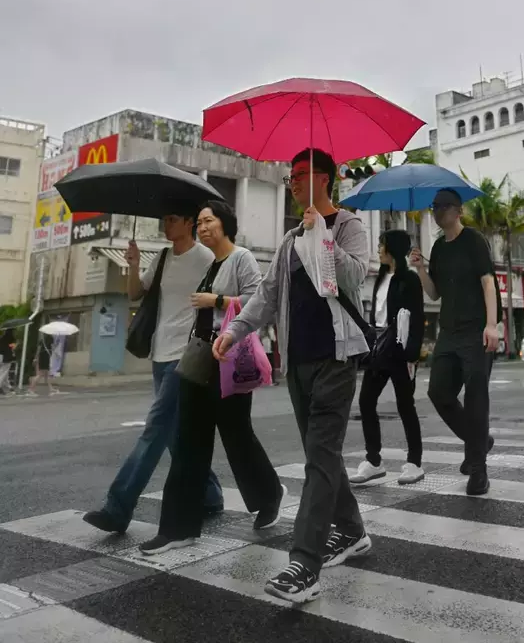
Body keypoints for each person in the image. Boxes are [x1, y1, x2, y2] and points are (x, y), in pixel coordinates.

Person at [213, 149, 371, 605]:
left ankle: (304, 563)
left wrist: (323, 234)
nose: (293, 182)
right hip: (298, 360)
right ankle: (354, 530)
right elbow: (266, 295)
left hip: (337, 358)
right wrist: (237, 330)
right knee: (321, 453)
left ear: (326, 178)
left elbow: (354, 276)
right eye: (291, 175)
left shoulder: (347, 226)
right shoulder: (288, 239)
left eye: (300, 175)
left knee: (319, 457)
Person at [140, 201, 284, 555]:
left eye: (209, 221)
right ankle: (179, 528)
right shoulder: (211, 263)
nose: (203, 227)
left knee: (237, 437)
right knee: (188, 442)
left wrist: (216, 299)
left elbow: (257, 301)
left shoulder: (242, 258)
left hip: (229, 358)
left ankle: (269, 494)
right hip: (199, 358)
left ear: (225, 224)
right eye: (200, 222)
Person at [83, 209, 223, 535]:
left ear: (190, 222)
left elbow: (221, 302)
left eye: (173, 218)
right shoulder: (161, 257)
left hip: (186, 355)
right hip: (159, 354)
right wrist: (132, 264)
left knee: (155, 428)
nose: (166, 223)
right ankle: (211, 493)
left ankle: (118, 508)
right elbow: (135, 293)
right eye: (166, 218)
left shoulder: (206, 257)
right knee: (175, 436)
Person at [410, 188, 499, 497]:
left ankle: (478, 469)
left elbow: (488, 281)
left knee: (476, 398)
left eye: (443, 207)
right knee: (439, 392)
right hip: (448, 333)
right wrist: (420, 269)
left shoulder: (474, 241)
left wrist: (491, 325)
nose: (437, 212)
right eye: (434, 207)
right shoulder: (439, 247)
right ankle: (480, 443)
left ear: (458, 211)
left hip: (476, 330)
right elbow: (434, 294)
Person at [350, 230, 425, 485]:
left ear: (391, 248)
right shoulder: (381, 277)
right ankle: (373, 461)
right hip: (379, 348)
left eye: (381, 244)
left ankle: (414, 463)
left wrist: (412, 355)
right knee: (366, 401)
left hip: (401, 350)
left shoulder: (410, 280)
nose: (378, 249)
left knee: (406, 406)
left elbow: (416, 318)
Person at [0, 329, 16, 395]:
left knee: (5, 373)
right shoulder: (10, 339)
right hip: (6, 357)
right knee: (3, 373)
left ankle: (9, 387)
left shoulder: (1, 338)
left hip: (0, 356)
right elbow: (12, 347)